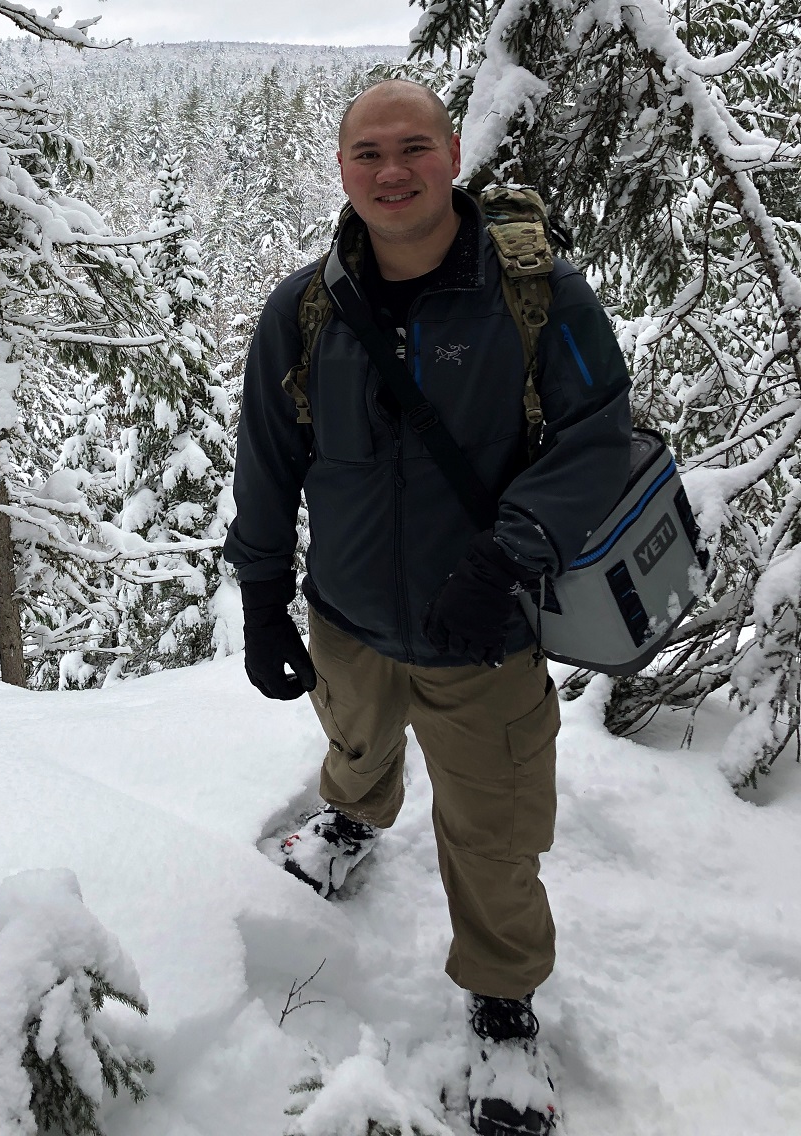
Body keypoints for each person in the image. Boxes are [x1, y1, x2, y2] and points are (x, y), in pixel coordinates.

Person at [222, 79, 632, 1136]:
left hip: (483, 635)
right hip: (349, 616)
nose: (391, 172)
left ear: (453, 153)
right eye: (367, 153)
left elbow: (600, 439)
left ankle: (502, 1003)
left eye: (413, 148)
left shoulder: (537, 298)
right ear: (342, 169)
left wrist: (510, 554)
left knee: (492, 828)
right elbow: (268, 463)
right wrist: (264, 595)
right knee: (355, 742)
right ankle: (353, 818)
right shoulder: (302, 311)